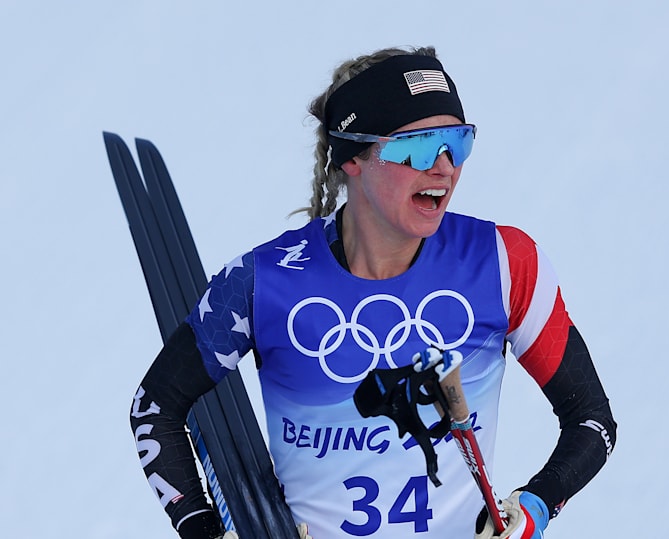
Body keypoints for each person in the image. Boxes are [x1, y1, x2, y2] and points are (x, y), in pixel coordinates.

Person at [130, 45, 616, 539]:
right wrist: (202, 529)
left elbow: (591, 420)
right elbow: (155, 406)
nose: (445, 167)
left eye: (458, 143)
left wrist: (533, 505)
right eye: (419, 147)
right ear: (353, 157)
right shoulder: (264, 280)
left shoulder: (505, 262)